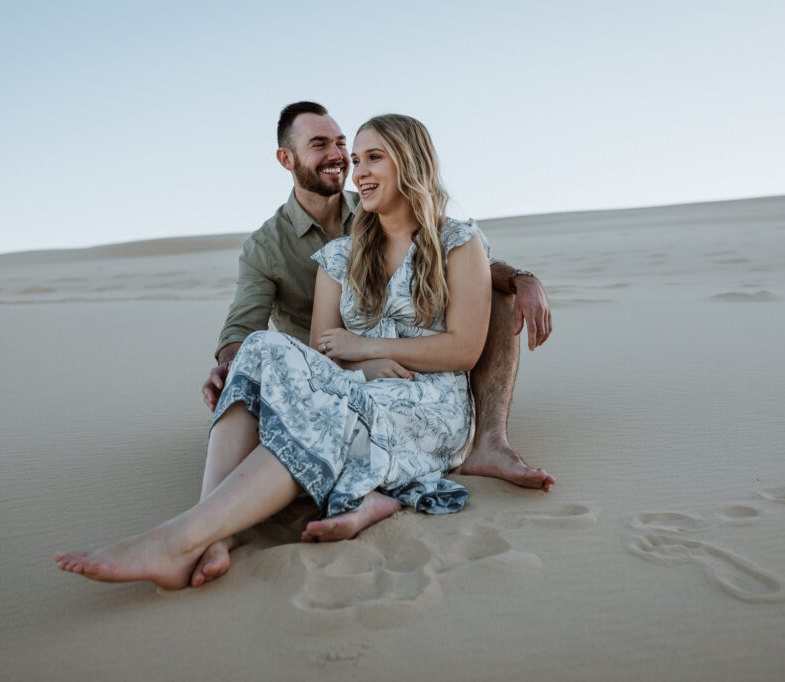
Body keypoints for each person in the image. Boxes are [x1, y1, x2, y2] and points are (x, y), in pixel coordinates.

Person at [56, 114, 493, 589]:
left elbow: (464, 350)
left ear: (410, 162)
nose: (359, 170)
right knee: (261, 346)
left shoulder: (457, 241)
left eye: (374, 157)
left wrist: (364, 345)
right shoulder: (341, 255)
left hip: (430, 401)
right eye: (357, 158)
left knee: (331, 411)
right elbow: (322, 353)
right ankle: (216, 530)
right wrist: (365, 366)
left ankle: (178, 540)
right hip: (363, 382)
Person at [203, 102, 555, 494]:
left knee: (499, 295)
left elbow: (460, 263)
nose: (338, 156)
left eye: (341, 144)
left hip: (413, 363)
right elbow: (242, 327)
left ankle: (491, 441)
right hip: (325, 362)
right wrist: (233, 367)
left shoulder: (378, 200)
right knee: (268, 369)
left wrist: (521, 278)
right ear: (286, 159)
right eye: (320, 145)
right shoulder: (266, 246)